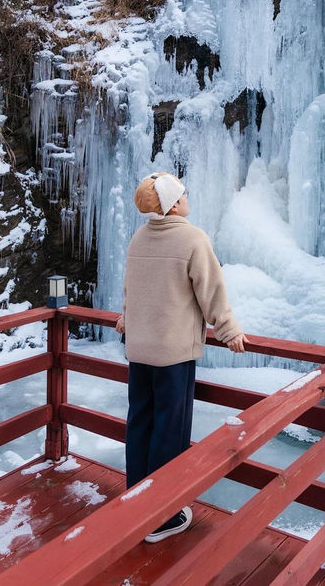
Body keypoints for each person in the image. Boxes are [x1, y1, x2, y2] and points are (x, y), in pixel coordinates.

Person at [115, 171, 246, 543]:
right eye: (183, 193)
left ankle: (135, 501)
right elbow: (212, 291)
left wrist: (128, 319)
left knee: (139, 424)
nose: (188, 197)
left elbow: (132, 288)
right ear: (174, 204)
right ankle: (162, 517)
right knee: (169, 432)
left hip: (139, 350)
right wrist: (229, 330)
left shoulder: (139, 238)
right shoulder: (192, 238)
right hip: (172, 354)